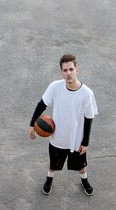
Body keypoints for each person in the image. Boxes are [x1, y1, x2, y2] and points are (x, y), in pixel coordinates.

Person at [28, 54, 98, 196]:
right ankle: (49, 179)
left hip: (76, 139)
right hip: (57, 137)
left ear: (77, 70)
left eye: (71, 69)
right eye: (65, 70)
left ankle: (84, 181)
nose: (68, 73)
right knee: (53, 163)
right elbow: (41, 105)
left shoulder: (87, 94)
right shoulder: (55, 87)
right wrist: (31, 125)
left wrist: (85, 142)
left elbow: (89, 118)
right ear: (61, 72)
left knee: (81, 165)